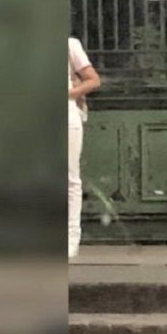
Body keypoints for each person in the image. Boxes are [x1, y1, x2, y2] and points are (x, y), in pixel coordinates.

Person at [68, 36, 100, 259]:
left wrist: (69, 93)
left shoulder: (69, 44)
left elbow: (92, 80)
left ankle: (71, 238)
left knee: (70, 178)